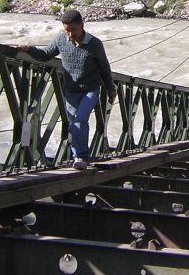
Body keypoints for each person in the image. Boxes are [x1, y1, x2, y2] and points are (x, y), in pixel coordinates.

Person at [16, 10, 117, 170]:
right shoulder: (61, 40)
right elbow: (45, 55)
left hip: (90, 89)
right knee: (75, 123)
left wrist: (110, 88)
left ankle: (81, 157)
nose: (70, 34)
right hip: (71, 90)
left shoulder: (94, 43)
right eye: (67, 30)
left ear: (82, 26)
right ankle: (81, 156)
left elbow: (104, 67)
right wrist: (29, 49)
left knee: (79, 120)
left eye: (73, 30)